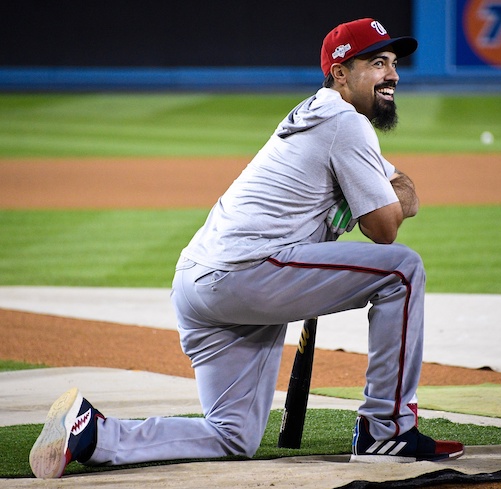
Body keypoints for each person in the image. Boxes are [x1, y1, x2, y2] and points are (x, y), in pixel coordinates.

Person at [29, 18, 464, 479]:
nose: (393, 74)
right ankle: (386, 429)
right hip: (247, 272)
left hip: (199, 283)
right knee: (402, 270)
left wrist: (394, 190)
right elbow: (385, 228)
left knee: (232, 435)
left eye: (393, 63)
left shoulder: (319, 114)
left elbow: (397, 185)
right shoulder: (344, 123)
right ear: (340, 72)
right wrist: (393, 194)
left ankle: (93, 433)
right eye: (377, 63)